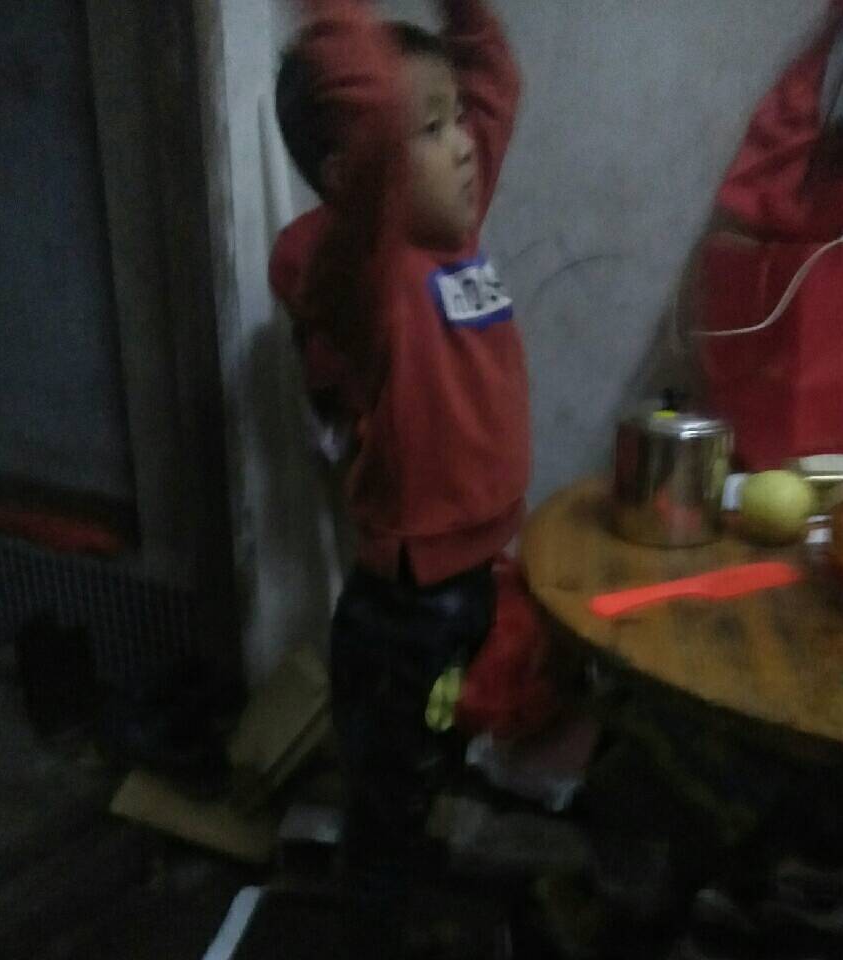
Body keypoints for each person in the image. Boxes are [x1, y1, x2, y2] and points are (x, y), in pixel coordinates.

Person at [269, 0, 530, 954]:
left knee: (428, 769)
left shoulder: (455, 233)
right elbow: (376, 134)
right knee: (386, 809)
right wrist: (343, 21)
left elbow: (493, 79)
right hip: (404, 612)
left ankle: (410, 897)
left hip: (466, 584)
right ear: (361, 175)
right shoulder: (361, 279)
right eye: (432, 129)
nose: (463, 144)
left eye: (456, 121)